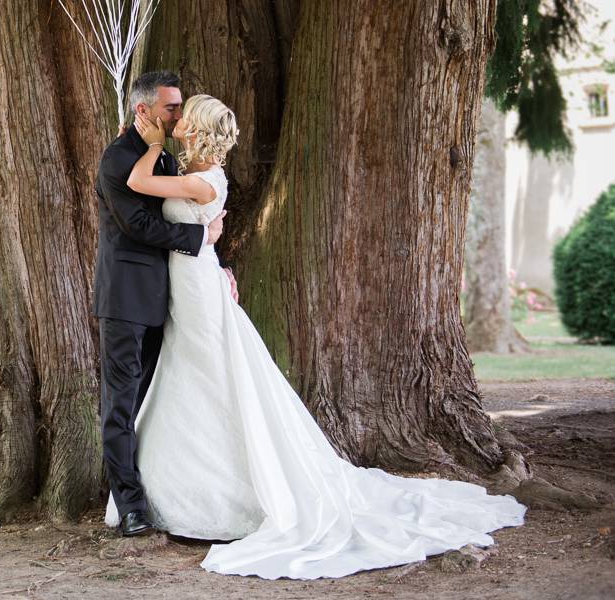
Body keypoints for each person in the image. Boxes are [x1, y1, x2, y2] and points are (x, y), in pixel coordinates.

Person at [102, 93, 527, 580]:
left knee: (206, 373)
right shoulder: (194, 171)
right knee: (190, 371)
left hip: (195, 288)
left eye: (182, 116)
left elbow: (141, 183)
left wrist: (153, 144)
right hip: (190, 281)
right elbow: (185, 222)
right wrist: (219, 259)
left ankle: (226, 492)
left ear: (195, 130)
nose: (174, 122)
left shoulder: (201, 180)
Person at [93, 71, 235, 538]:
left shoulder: (172, 162)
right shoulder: (118, 160)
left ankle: (173, 489)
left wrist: (217, 263)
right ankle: (131, 506)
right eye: (171, 108)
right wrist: (202, 237)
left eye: (180, 109)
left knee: (159, 399)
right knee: (122, 401)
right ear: (143, 111)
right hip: (128, 297)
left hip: (174, 299)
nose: (177, 115)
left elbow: (196, 206)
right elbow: (139, 225)